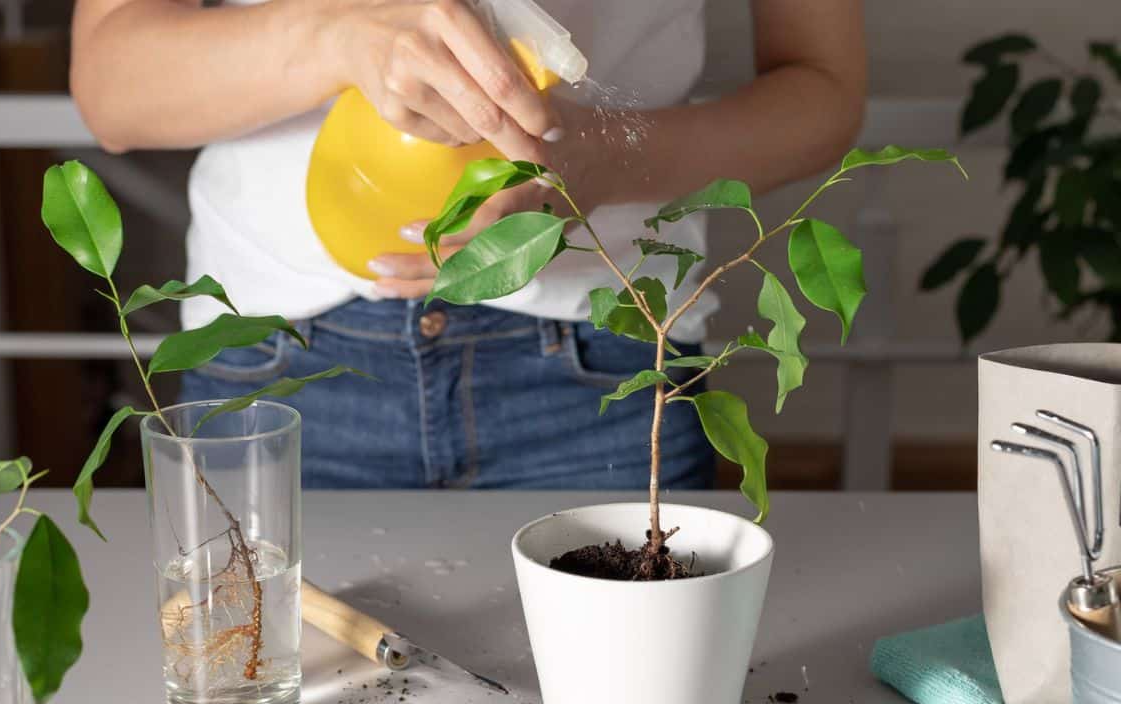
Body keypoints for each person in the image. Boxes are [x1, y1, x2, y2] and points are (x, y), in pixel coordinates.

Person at [70, 0, 867, 489]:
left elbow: (822, 91)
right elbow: (112, 80)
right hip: (272, 363)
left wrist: (596, 163)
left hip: (604, 364)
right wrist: (339, 34)